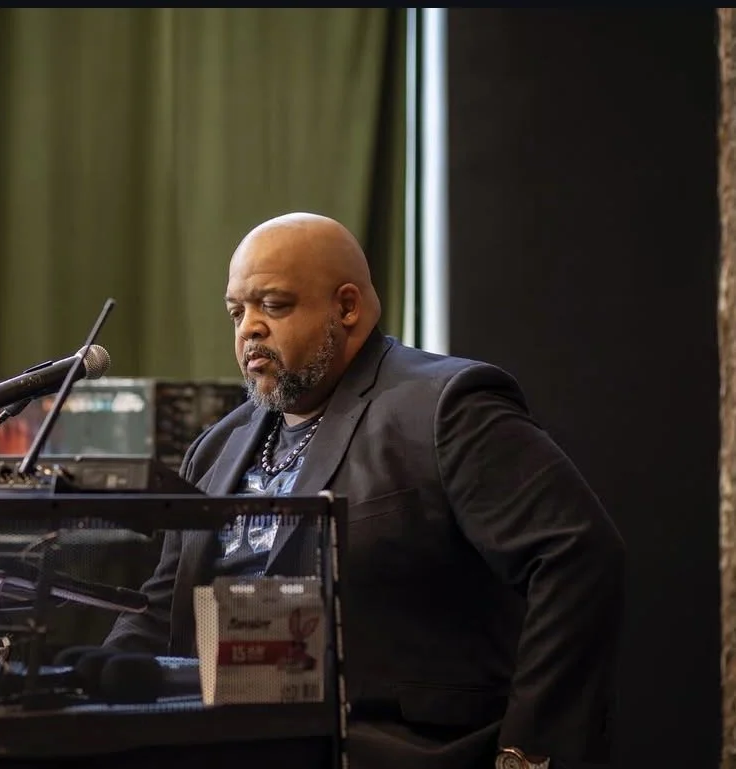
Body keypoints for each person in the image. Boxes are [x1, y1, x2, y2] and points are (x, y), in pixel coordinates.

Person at [104, 212, 626, 769]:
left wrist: (527, 752)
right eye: (237, 311)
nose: (249, 328)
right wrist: (78, 696)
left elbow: (577, 557)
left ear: (346, 307)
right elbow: (161, 610)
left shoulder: (445, 407)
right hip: (230, 745)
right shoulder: (215, 449)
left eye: (273, 305)